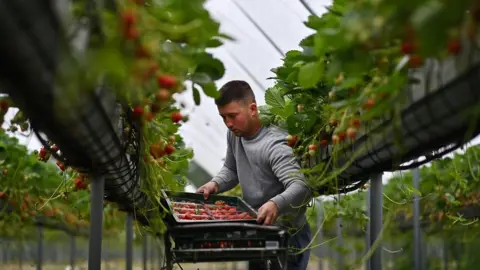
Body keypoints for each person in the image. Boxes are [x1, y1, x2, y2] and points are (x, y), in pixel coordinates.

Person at [196, 80, 313, 270]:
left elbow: (300, 185)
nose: (228, 123)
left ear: (252, 108)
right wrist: (214, 184)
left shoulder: (274, 144)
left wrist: (276, 203)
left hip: (287, 234)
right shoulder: (235, 134)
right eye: (223, 117)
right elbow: (231, 169)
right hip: (257, 229)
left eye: (233, 116)